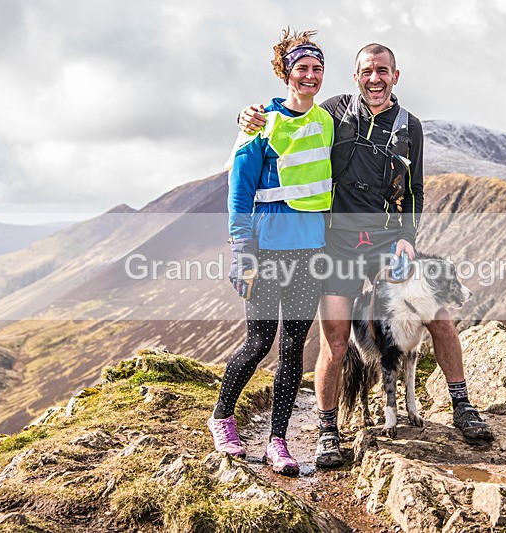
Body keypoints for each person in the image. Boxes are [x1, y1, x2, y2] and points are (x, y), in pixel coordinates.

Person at [239, 43, 492, 469]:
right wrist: (250, 117)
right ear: (355, 77)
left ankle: (462, 405)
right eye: (366, 71)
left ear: (396, 75)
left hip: (390, 243)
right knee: (336, 341)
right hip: (336, 244)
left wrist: (408, 237)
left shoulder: (410, 126)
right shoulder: (334, 112)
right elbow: (289, 112)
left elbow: (414, 190)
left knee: (440, 319)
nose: (374, 78)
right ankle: (326, 430)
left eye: (382, 71)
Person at [207, 29, 333, 476]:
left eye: (317, 68)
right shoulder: (260, 123)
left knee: (294, 347)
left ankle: (277, 442)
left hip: (310, 252)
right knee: (260, 342)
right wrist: (242, 251)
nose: (311, 76)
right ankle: (223, 417)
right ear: (286, 73)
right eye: (302, 68)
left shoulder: (327, 120)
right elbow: (239, 194)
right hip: (265, 253)